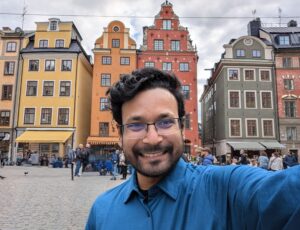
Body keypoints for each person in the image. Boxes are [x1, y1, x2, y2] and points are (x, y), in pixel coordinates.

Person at [86, 67, 300, 229]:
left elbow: (283, 192)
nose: (152, 138)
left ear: (181, 126)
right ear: (120, 134)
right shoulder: (102, 210)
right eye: (135, 124)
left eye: (165, 122)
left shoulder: (226, 190)